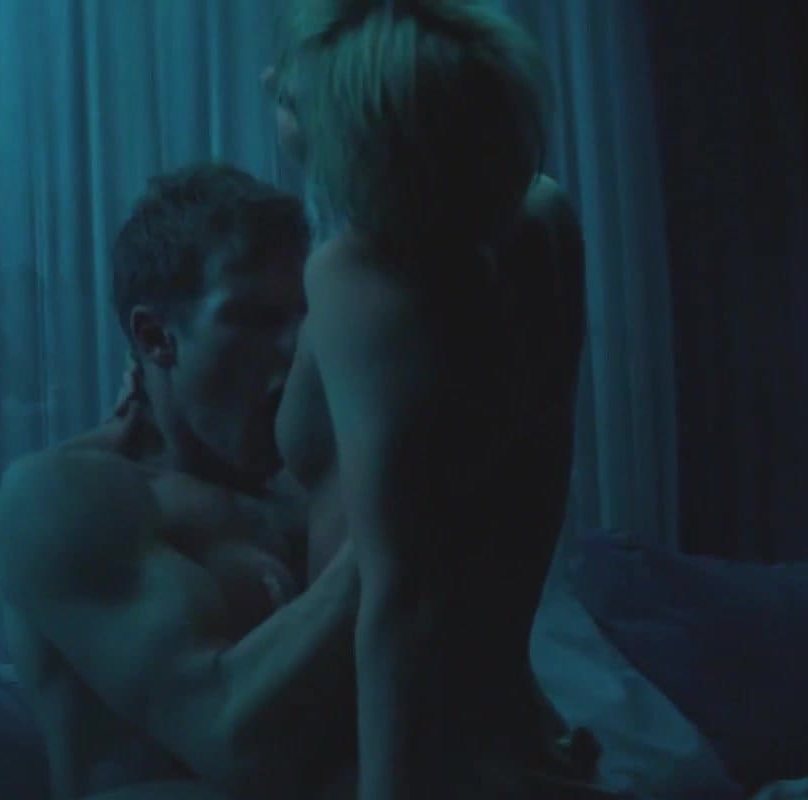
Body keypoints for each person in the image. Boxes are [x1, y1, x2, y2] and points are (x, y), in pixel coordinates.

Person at [266, 0, 610, 797]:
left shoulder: (359, 279)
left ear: (366, 129)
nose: (267, 84)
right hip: (501, 719)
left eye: (290, 94)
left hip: (406, 743)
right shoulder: (541, 220)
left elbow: (405, 596)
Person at [0, 163, 362, 800]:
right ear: (156, 337)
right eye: (255, 318)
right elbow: (230, 740)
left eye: (303, 319)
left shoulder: (304, 486)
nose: (296, 350)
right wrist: (395, 526)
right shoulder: (64, 495)